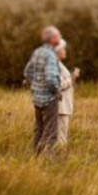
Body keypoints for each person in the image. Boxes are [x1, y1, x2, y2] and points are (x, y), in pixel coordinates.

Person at [23, 25, 62, 155]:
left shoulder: (37, 51)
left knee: (39, 130)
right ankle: (47, 162)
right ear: (52, 39)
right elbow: (51, 78)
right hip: (49, 99)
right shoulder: (51, 55)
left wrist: (35, 86)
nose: (60, 37)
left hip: (37, 98)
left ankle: (37, 157)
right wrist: (57, 91)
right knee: (51, 133)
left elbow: (27, 72)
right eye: (58, 35)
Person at [55, 39, 80, 147]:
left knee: (61, 135)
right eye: (63, 49)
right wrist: (72, 77)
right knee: (61, 137)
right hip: (61, 106)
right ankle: (59, 158)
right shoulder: (55, 65)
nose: (65, 51)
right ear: (58, 51)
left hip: (63, 105)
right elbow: (58, 85)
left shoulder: (58, 64)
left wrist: (71, 78)